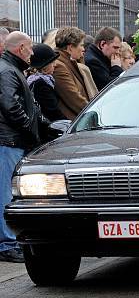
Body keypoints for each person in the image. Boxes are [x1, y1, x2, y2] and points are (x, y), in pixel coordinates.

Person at [0, 32, 44, 263]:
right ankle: (7, 243)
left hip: (12, 139)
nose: (33, 53)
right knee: (5, 194)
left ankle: (9, 241)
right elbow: (10, 105)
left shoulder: (10, 69)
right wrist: (29, 127)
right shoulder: (7, 71)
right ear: (21, 48)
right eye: (30, 48)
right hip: (9, 140)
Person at [53, 27, 91, 120]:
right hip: (73, 121)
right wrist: (92, 112)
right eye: (81, 45)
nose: (83, 49)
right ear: (70, 48)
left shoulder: (68, 62)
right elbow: (74, 98)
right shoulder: (59, 66)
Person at [27, 44, 66, 121]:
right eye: (52, 62)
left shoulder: (39, 80)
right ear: (44, 66)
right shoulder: (41, 84)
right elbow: (51, 110)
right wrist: (67, 123)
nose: (55, 65)